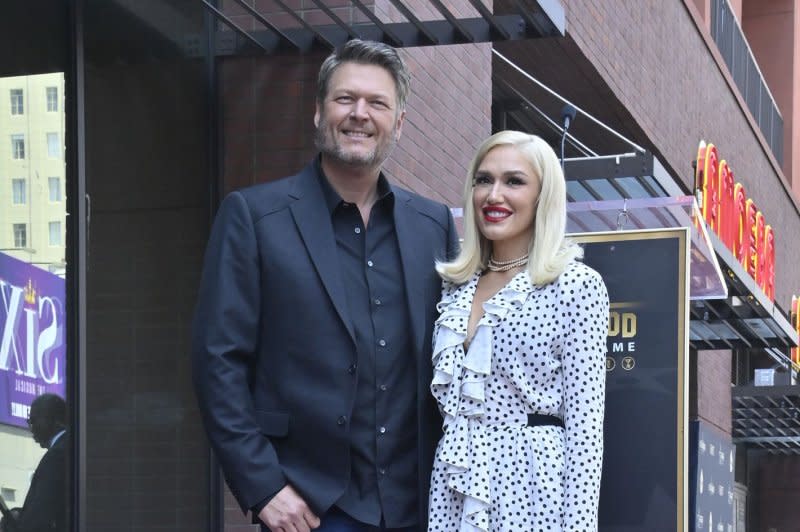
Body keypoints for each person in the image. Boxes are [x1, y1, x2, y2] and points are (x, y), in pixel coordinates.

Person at [191, 39, 459, 532]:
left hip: (419, 507)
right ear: (318, 112)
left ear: (398, 124)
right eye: (345, 99)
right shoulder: (254, 217)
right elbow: (218, 362)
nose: (360, 114)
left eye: (377, 103)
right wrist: (263, 485)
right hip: (311, 510)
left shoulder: (434, 225)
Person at [427, 131, 608, 531]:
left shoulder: (576, 286)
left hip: (533, 488)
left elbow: (585, 433)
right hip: (456, 483)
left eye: (514, 181)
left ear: (543, 196)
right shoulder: (454, 288)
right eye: (483, 179)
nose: (494, 195)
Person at [8, 394, 67, 532]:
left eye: (33, 421)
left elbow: (41, 517)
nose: (31, 428)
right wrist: (21, 514)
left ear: (54, 420)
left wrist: (16, 525)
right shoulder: (71, 447)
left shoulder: (57, 456)